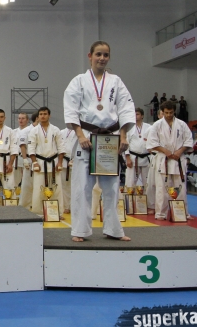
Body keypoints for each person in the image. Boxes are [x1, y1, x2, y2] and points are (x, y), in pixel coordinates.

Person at [63, 41, 135, 242]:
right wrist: (80, 135)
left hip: (109, 138)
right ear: (90, 56)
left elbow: (126, 108)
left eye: (105, 55)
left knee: (111, 187)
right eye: (98, 54)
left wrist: (123, 135)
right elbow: (71, 109)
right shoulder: (78, 81)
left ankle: (114, 230)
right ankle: (80, 230)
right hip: (86, 136)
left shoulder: (116, 81)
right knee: (82, 186)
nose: (102, 58)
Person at [146, 100, 193, 220]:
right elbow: (151, 143)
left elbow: (188, 141)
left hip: (178, 159)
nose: (168, 115)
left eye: (171, 112)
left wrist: (180, 151)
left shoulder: (182, 124)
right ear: (162, 112)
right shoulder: (157, 125)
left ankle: (182, 213)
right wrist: (165, 151)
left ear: (174, 111)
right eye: (166, 112)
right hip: (163, 159)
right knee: (161, 188)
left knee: (181, 187)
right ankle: (160, 213)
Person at [27, 107, 65, 216]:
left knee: (56, 188)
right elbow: (31, 148)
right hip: (40, 161)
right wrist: (34, 162)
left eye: (45, 114)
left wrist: (60, 162)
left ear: (49, 115)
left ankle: (57, 213)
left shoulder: (56, 130)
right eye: (41, 114)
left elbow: (61, 147)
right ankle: (38, 212)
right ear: (38, 116)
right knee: (39, 188)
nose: (43, 116)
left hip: (54, 162)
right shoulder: (34, 131)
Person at [124, 108, 152, 207]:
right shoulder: (129, 128)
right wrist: (127, 158)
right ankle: (129, 205)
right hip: (133, 158)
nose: (136, 116)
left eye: (138, 114)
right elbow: (125, 143)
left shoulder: (149, 127)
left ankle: (148, 205)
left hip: (147, 158)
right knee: (130, 181)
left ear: (142, 116)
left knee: (148, 183)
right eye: (134, 114)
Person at [13, 113, 33, 209]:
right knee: (14, 181)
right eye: (19, 118)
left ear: (27, 120)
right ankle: (13, 201)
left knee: (27, 182)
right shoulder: (13, 132)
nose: (21, 120)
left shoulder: (31, 131)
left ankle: (28, 202)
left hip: (27, 158)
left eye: (23, 118)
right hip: (16, 158)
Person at [59, 127, 78, 214]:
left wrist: (74, 159)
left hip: (75, 160)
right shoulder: (61, 132)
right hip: (63, 160)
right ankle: (66, 206)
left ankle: (74, 206)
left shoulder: (79, 131)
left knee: (75, 185)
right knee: (64, 185)